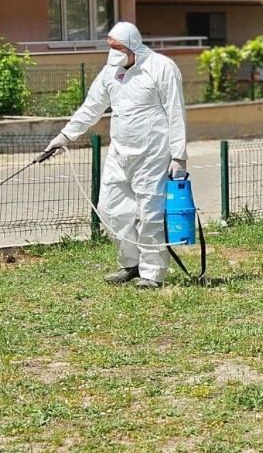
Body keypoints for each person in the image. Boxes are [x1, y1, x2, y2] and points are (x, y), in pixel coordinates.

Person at [42, 21, 188, 289]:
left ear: (133, 44)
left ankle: (152, 273)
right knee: (110, 210)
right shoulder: (111, 71)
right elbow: (91, 108)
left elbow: (176, 111)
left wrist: (178, 156)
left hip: (153, 155)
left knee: (150, 214)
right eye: (111, 47)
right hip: (119, 154)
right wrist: (64, 137)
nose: (114, 52)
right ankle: (130, 263)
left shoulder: (162, 67)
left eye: (119, 47)